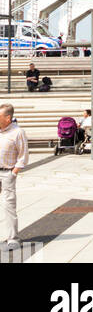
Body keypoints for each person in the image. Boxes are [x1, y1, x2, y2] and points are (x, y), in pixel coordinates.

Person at [0, 104, 28, 250]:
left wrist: (14, 172)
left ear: (8, 118)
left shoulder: (17, 132)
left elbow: (23, 155)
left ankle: (13, 238)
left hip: (7, 172)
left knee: (8, 206)